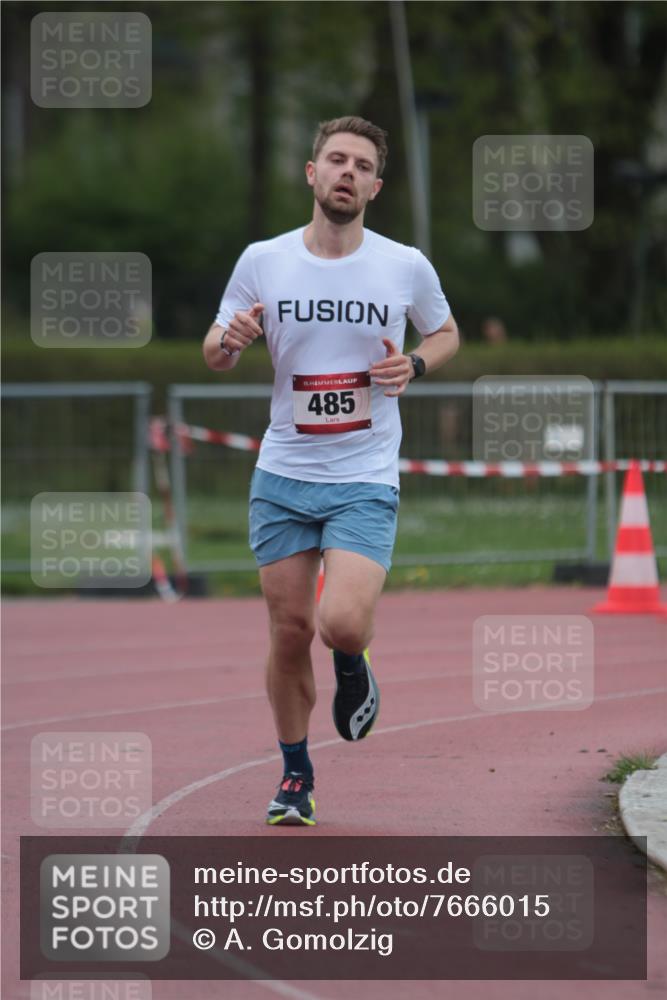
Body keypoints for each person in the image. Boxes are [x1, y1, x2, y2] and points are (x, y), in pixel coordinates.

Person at [203, 115, 459, 825]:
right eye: (335, 159)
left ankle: (353, 662)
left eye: (360, 165)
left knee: (340, 622)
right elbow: (216, 346)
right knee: (288, 632)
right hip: (283, 472)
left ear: (375, 186)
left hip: (363, 474)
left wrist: (413, 362)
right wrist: (230, 341)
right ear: (310, 173)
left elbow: (444, 331)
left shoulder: (402, 264)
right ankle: (294, 776)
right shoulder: (264, 259)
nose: (346, 172)